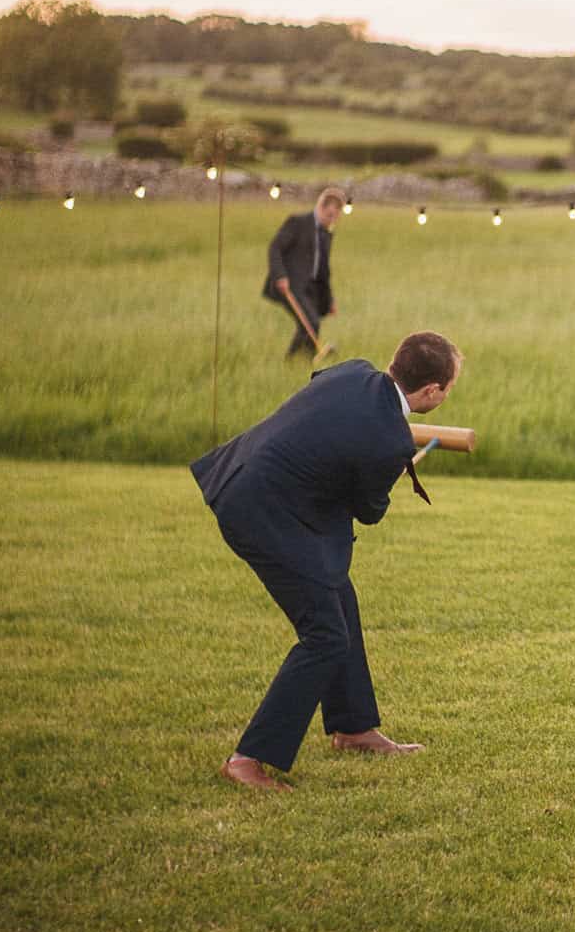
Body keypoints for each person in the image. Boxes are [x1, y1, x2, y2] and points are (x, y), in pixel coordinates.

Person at [193, 331, 463, 790]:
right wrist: (390, 464)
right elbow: (369, 511)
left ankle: (353, 727)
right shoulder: (387, 443)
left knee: (340, 597)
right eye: (450, 388)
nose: (448, 394)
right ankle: (246, 759)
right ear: (432, 391)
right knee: (324, 636)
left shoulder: (353, 371)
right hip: (262, 513)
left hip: (250, 480)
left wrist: (379, 452)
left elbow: (330, 415)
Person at [265, 187, 345, 357]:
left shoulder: (326, 234)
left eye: (336, 217)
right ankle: (305, 361)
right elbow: (275, 248)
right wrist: (280, 275)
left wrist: (329, 299)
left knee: (308, 324)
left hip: (310, 288)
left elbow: (323, 270)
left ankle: (296, 363)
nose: (332, 220)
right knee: (311, 322)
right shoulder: (297, 223)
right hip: (291, 284)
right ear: (321, 207)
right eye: (330, 215)